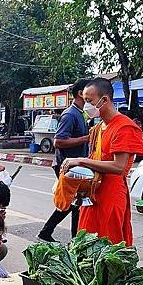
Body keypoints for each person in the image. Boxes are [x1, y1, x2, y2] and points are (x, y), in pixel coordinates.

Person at [61, 78, 143, 246]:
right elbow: (94, 159)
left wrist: (81, 161)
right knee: (85, 244)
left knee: (108, 246)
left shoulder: (124, 127)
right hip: (92, 193)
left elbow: (118, 167)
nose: (86, 106)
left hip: (111, 195)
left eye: (89, 101)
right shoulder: (98, 128)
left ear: (104, 99)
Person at [38, 79, 90, 242]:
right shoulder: (70, 114)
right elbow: (58, 141)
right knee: (73, 203)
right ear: (81, 93)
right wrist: (86, 139)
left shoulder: (80, 114)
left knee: (74, 203)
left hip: (76, 165)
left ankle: (52, 233)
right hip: (66, 166)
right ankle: (69, 239)